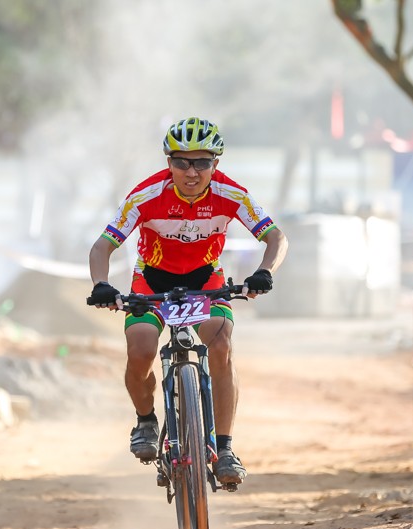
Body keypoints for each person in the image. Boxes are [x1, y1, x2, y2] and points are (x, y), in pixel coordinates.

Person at [87, 117, 287, 486]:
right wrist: (101, 284)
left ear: (216, 163)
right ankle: (146, 420)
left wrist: (265, 271)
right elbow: (102, 246)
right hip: (152, 280)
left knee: (221, 343)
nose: (191, 172)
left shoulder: (231, 194)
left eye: (201, 162)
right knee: (142, 348)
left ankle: (224, 447)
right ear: (169, 163)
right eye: (181, 162)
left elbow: (276, 237)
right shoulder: (145, 195)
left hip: (204, 280)